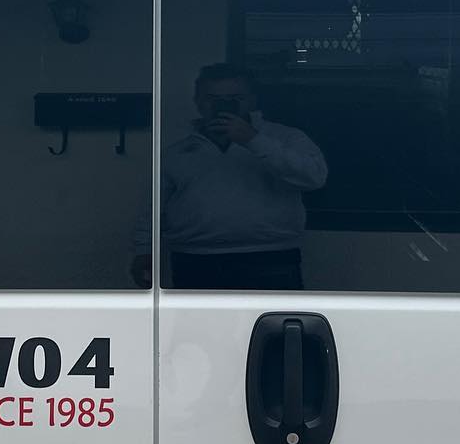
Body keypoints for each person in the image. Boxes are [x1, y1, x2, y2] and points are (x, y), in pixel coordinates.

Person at [132, 63, 327, 290]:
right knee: (200, 327)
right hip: (194, 259)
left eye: (235, 98)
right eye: (212, 98)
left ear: (252, 100)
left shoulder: (286, 138)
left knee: (271, 324)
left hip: (272, 257)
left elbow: (314, 178)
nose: (222, 105)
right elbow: (153, 208)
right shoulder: (176, 152)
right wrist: (143, 250)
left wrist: (253, 140)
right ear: (197, 101)